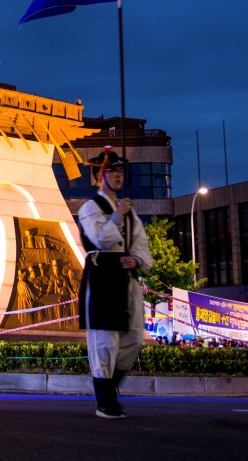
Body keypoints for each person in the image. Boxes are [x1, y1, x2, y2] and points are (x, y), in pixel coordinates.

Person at [77, 147, 153, 419]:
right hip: (102, 276)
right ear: (99, 174)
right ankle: (105, 402)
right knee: (104, 343)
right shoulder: (89, 208)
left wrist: (137, 260)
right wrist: (118, 214)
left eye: (121, 170)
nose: (118, 175)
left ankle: (109, 393)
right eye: (112, 170)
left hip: (125, 278)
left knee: (133, 339)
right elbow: (101, 239)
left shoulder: (129, 213)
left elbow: (143, 246)